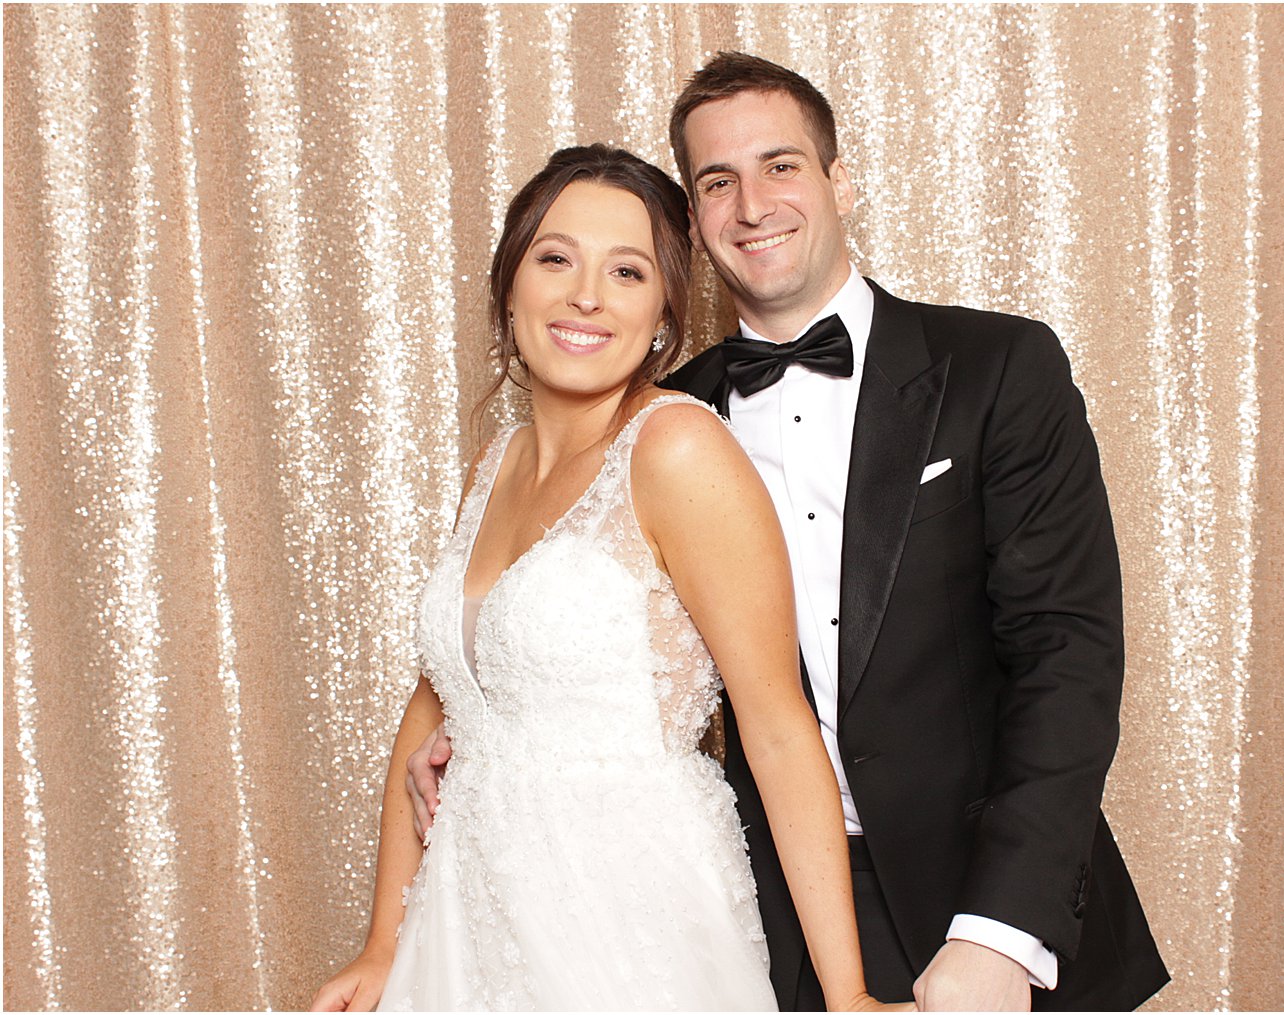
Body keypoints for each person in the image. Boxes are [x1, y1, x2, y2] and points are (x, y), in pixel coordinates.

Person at [412, 55, 1170, 1011]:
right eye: (716, 182)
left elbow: (1071, 656)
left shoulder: (997, 367)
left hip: (982, 894)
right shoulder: (653, 424)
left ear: (839, 180)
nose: (752, 203)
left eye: (781, 166)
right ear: (693, 220)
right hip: (769, 914)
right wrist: (478, 725)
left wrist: (1000, 933)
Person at [310, 144, 900, 1012]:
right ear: (510, 285)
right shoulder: (493, 464)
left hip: (629, 920)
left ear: (664, 311)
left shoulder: (678, 448)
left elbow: (777, 726)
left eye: (626, 271)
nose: (586, 294)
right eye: (556, 259)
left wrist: (846, 995)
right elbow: (437, 702)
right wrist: (381, 944)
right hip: (467, 922)